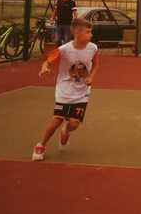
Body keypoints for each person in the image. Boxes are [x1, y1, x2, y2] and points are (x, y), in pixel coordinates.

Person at [32, 18, 99, 162]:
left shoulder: (93, 48)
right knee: (57, 119)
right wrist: (45, 67)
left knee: (74, 124)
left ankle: (66, 131)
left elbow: (96, 65)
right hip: (64, 90)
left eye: (90, 32)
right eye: (88, 32)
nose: (91, 35)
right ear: (77, 32)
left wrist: (91, 77)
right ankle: (41, 145)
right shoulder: (64, 49)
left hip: (82, 92)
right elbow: (49, 59)